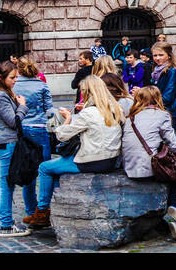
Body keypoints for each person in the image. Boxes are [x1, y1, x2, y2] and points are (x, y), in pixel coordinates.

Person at [27, 76, 125, 231]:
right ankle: (53, 206)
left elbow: (62, 135)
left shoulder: (89, 113)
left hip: (92, 161)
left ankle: (42, 212)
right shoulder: (115, 108)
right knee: (58, 167)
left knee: (45, 167)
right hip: (111, 159)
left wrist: (68, 118)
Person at [122, 84, 176, 241]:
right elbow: (174, 144)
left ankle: (175, 212)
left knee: (174, 177)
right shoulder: (161, 115)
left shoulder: (131, 117)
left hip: (130, 167)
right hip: (149, 168)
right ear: (157, 98)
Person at [0, 59, 32, 237]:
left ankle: (7, 222)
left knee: (10, 184)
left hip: (9, 142)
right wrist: (22, 106)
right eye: (12, 78)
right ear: (1, 77)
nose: (16, 81)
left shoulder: (5, 92)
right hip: (7, 143)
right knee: (7, 186)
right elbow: (13, 122)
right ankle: (6, 225)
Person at [13, 55, 54, 219]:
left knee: (27, 170)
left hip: (21, 130)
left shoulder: (14, 86)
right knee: (45, 169)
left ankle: (31, 210)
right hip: (39, 129)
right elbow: (50, 112)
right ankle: (44, 208)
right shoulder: (42, 85)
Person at [151, 42, 176, 129]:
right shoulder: (156, 70)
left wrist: (148, 98)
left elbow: (168, 97)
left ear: (169, 55)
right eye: (155, 55)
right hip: (158, 111)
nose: (157, 58)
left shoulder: (172, 71)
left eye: (161, 55)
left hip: (168, 113)